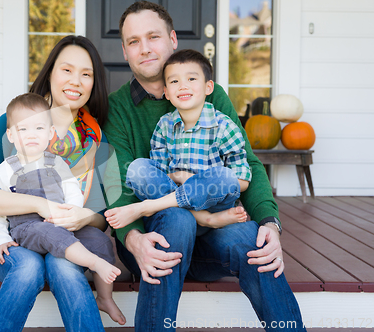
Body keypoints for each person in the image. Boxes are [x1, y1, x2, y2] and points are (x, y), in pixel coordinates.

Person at [102, 1, 306, 331]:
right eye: (134, 41)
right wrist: (131, 239)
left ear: (172, 39)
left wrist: (269, 222)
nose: (145, 49)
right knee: (176, 218)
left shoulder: (212, 96)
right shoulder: (116, 108)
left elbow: (246, 163)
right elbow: (117, 181)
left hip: (212, 237)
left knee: (252, 238)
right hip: (151, 236)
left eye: (153, 36)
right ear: (125, 51)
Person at [0, 35, 124, 332]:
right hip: (13, 235)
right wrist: (40, 204)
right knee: (28, 268)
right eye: (67, 70)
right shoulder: (15, 122)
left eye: (86, 74)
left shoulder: (98, 140)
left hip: (66, 238)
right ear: (50, 73)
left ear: (95, 83)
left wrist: (84, 216)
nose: (76, 81)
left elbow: (102, 218)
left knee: (64, 266)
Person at [0, 92, 125, 324]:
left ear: (50, 133)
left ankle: (105, 297)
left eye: (39, 129)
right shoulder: (5, 170)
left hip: (60, 223)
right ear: (11, 135)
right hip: (27, 228)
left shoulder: (57, 162)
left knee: (99, 241)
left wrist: (72, 213)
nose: (31, 135)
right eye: (23, 129)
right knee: (46, 231)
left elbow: (72, 190)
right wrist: (1, 239)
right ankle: (93, 262)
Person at [105, 49, 250, 232]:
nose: (183, 86)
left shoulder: (224, 126)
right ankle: (203, 219)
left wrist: (195, 180)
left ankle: (145, 208)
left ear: (208, 87)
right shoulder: (164, 125)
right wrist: (180, 176)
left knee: (226, 176)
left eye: (191, 79)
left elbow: (242, 181)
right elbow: (160, 177)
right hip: (177, 210)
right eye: (174, 81)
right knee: (137, 169)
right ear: (166, 92)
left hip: (215, 205)